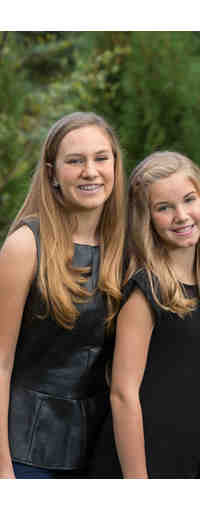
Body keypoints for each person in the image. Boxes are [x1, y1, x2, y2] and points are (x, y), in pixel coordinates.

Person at [0, 112, 126, 478]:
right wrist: (3, 470)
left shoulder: (126, 246)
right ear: (52, 173)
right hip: (26, 453)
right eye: (75, 161)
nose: (90, 171)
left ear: (115, 165)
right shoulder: (25, 246)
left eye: (101, 158)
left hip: (99, 452)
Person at [89, 151, 200, 478]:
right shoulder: (146, 290)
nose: (181, 216)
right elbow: (123, 394)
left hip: (183, 454)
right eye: (164, 208)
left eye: (189, 200)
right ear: (146, 219)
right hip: (137, 461)